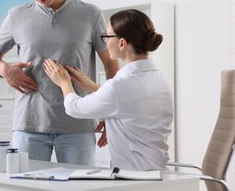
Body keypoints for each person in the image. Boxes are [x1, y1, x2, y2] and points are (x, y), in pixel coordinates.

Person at [0, 0, 119, 166]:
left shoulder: (90, 15)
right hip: (28, 127)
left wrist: (111, 114)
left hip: (78, 127)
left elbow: (111, 64)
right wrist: (4, 69)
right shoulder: (17, 16)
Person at [43, 9, 174, 170]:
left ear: (121, 43)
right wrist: (95, 87)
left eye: (107, 36)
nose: (105, 42)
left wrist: (64, 82)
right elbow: (132, 101)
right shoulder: (160, 77)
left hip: (134, 178)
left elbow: (74, 108)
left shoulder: (119, 86)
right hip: (159, 174)